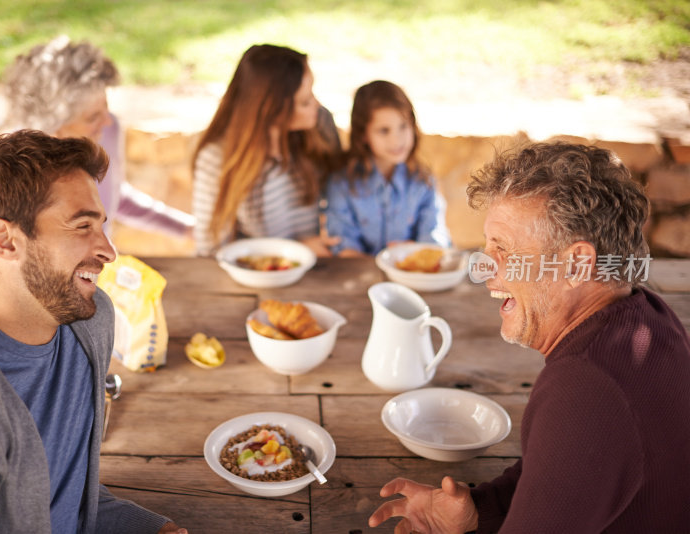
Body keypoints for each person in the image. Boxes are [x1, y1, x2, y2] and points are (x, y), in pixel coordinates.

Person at [369, 142, 690, 533]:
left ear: (576, 264)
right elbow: (567, 469)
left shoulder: (585, 389)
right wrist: (479, 510)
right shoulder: (650, 315)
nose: (486, 270)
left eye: (503, 250)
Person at [0, 130, 187, 533]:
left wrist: (147, 528)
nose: (108, 251)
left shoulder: (90, 323)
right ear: (4, 241)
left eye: (102, 225)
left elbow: (62, 492)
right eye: (82, 226)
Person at [5, 35, 195, 239]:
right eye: (92, 117)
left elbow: (112, 197)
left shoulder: (108, 132)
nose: (107, 121)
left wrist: (187, 228)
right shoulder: (17, 166)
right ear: (53, 128)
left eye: (106, 106)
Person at [192, 43, 343, 257]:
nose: (316, 105)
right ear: (272, 110)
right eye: (305, 101)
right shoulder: (216, 158)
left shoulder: (319, 127)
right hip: (255, 275)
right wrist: (294, 252)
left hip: (314, 267)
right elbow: (211, 249)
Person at [326, 80, 450, 256]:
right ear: (363, 135)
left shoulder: (422, 181)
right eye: (384, 131)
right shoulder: (342, 184)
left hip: (412, 276)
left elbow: (434, 236)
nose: (396, 140)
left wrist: (415, 252)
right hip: (359, 277)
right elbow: (343, 244)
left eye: (403, 126)